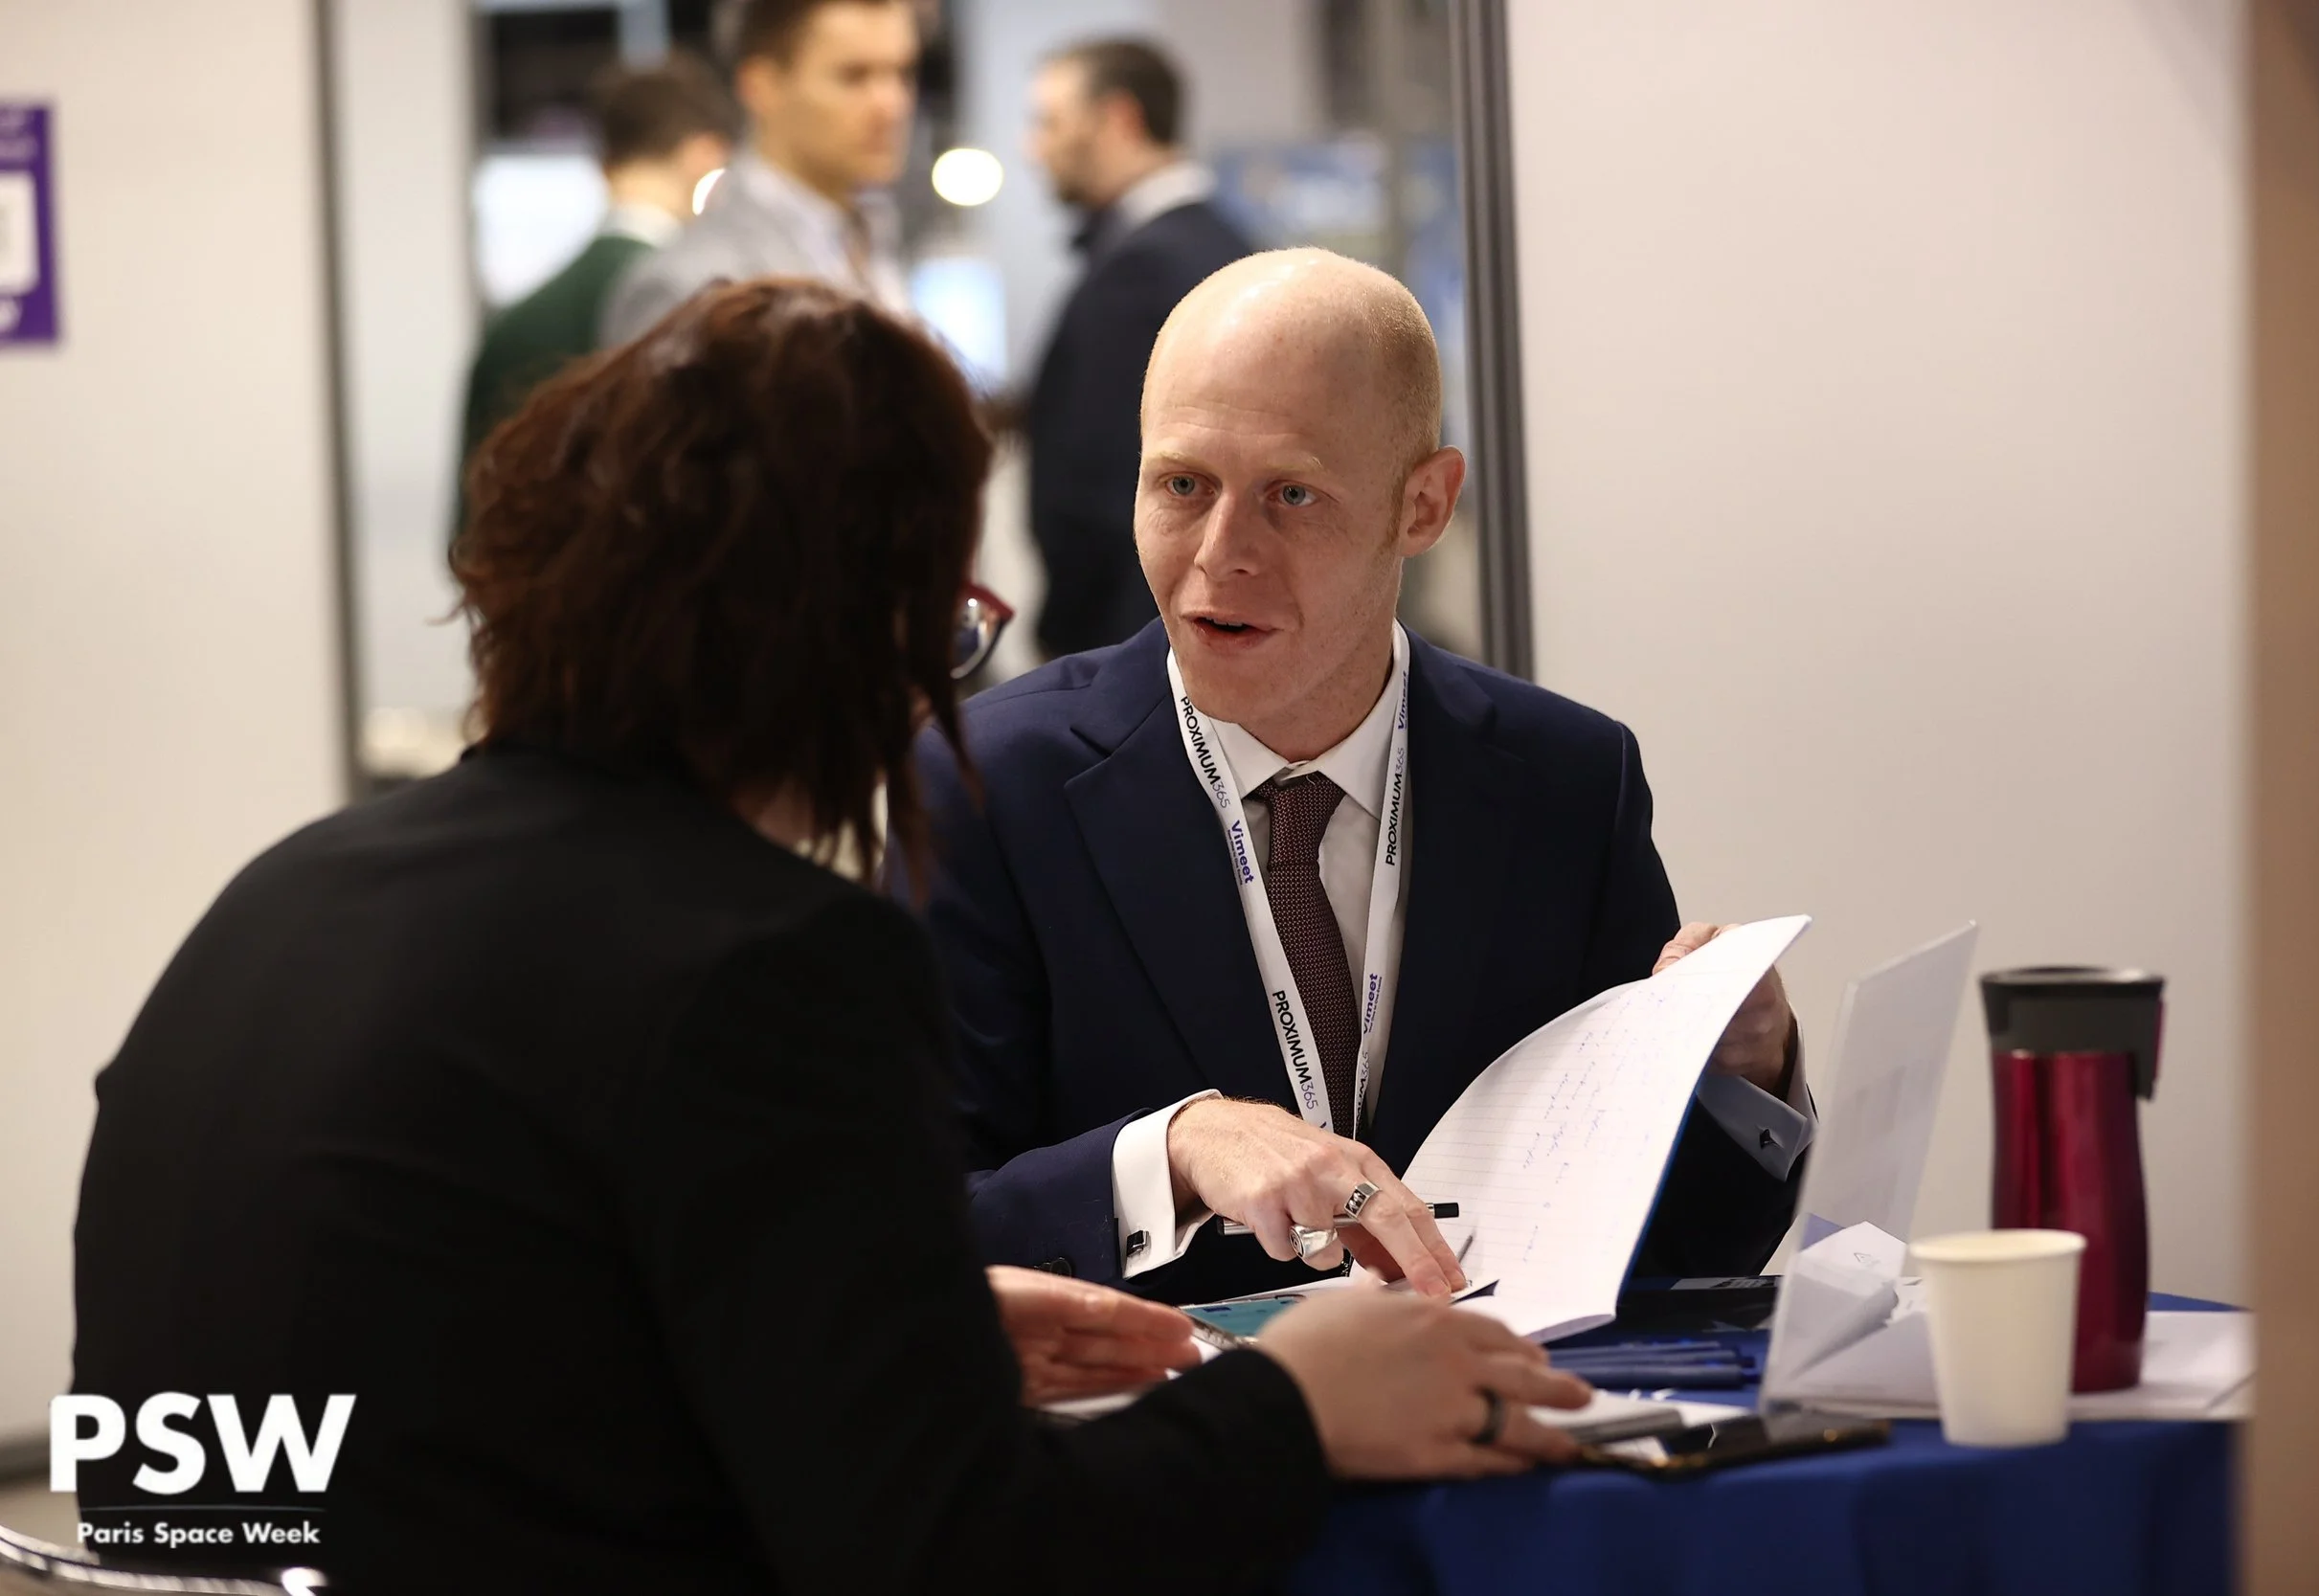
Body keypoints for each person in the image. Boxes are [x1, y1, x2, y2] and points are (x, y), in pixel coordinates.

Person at [69, 278, 1593, 1595]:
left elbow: (407, 1401)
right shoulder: (760, 956)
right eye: (944, 634)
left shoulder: (275, 905)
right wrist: (1296, 1406)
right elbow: (960, 1559)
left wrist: (894, 1338)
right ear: (846, 639)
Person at [903, 250, 1816, 1309]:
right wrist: (1174, 1150)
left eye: (1291, 494)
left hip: (1494, 1441)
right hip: (1173, 1453)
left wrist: (1741, 1073)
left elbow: (1680, 1252)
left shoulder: (1565, 779)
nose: (1219, 553)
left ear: (1422, 506)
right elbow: (907, 1225)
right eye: (1182, 485)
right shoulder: (986, 786)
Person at [1022, 38, 1251, 659]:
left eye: (1050, 122)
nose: (1033, 147)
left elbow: (1102, 493)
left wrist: (1072, 650)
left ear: (1119, 118)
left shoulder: (1145, 268)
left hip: (1134, 644)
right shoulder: (1223, 243)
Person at [455, 53, 737, 533]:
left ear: (603, 165)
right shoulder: (708, 312)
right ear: (705, 156)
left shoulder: (514, 328)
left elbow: (469, 534)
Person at [601, 0, 913, 343]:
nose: (891, 104)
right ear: (761, 86)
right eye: (853, 76)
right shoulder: (690, 289)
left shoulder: (871, 246)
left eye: (902, 73)